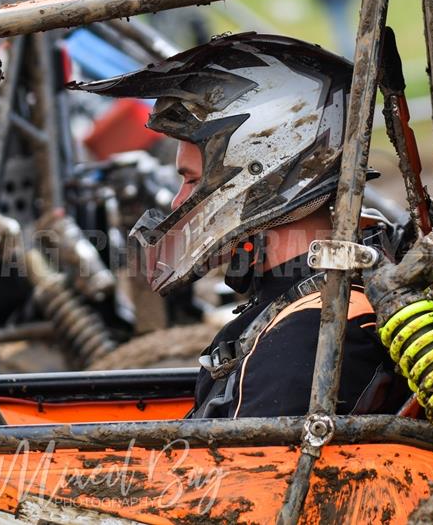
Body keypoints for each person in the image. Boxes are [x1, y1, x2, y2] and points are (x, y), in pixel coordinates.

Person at [68, 33, 409, 418]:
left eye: (192, 180)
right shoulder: (309, 308)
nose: (179, 202)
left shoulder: (309, 336)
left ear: (260, 173)